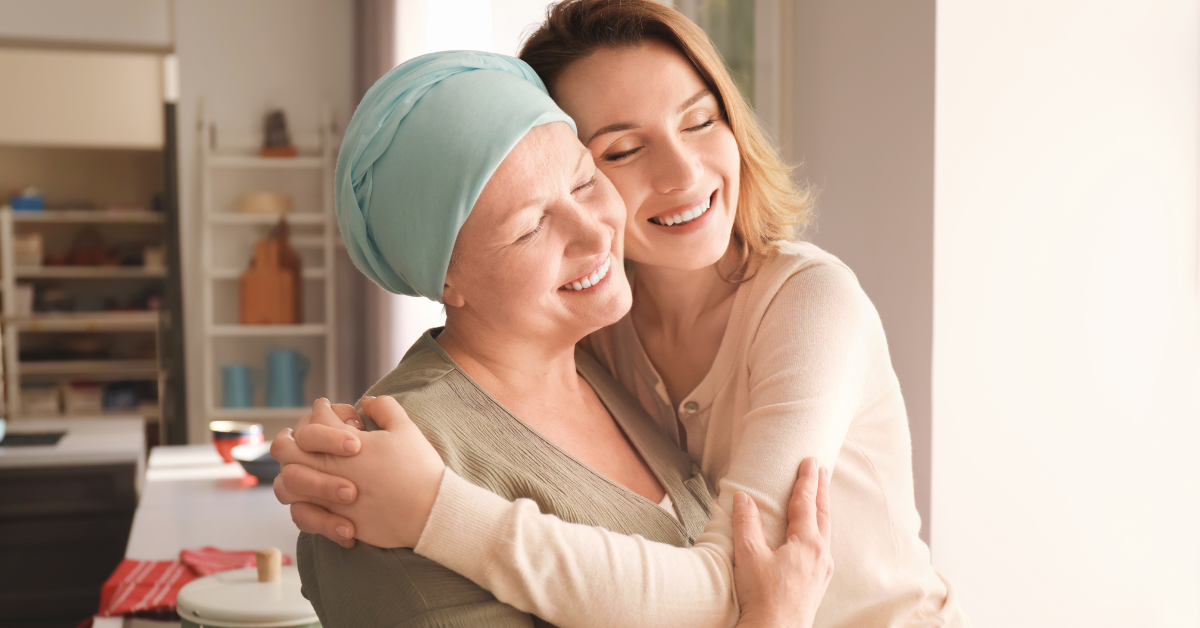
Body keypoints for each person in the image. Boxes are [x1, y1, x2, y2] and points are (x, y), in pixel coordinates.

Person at [276, 1, 969, 627]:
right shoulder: (601, 330)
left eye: (701, 120)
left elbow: (731, 584)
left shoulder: (810, 303)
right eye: (621, 151)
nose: (684, 173)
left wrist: (436, 510)